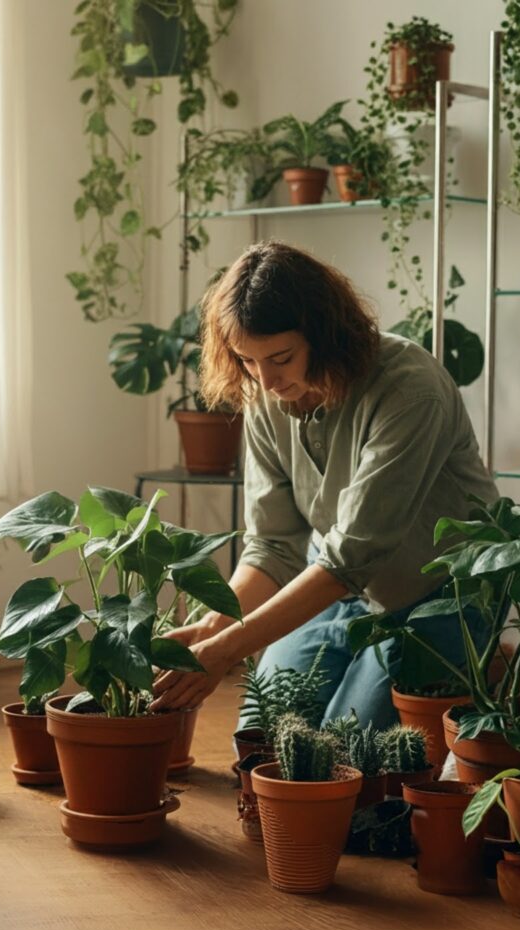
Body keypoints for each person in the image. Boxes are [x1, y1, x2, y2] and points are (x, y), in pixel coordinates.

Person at [150, 241, 498, 726]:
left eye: (281, 357)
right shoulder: (267, 395)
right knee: (263, 731)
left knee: (348, 750)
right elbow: (272, 547)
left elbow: (350, 559)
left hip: (441, 595)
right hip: (335, 583)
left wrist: (226, 651)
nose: (265, 381)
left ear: (326, 333)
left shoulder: (409, 388)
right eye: (247, 361)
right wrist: (215, 625)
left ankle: (477, 672)